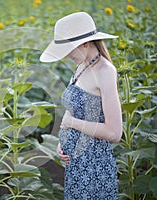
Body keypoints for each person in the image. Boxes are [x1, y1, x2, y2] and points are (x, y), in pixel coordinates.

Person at [40, 12, 122, 199]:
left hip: (93, 165)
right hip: (76, 162)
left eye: (69, 49)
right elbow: (74, 109)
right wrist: (63, 140)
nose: (66, 56)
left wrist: (72, 124)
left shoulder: (105, 71)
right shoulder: (82, 65)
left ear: (85, 43)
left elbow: (114, 133)